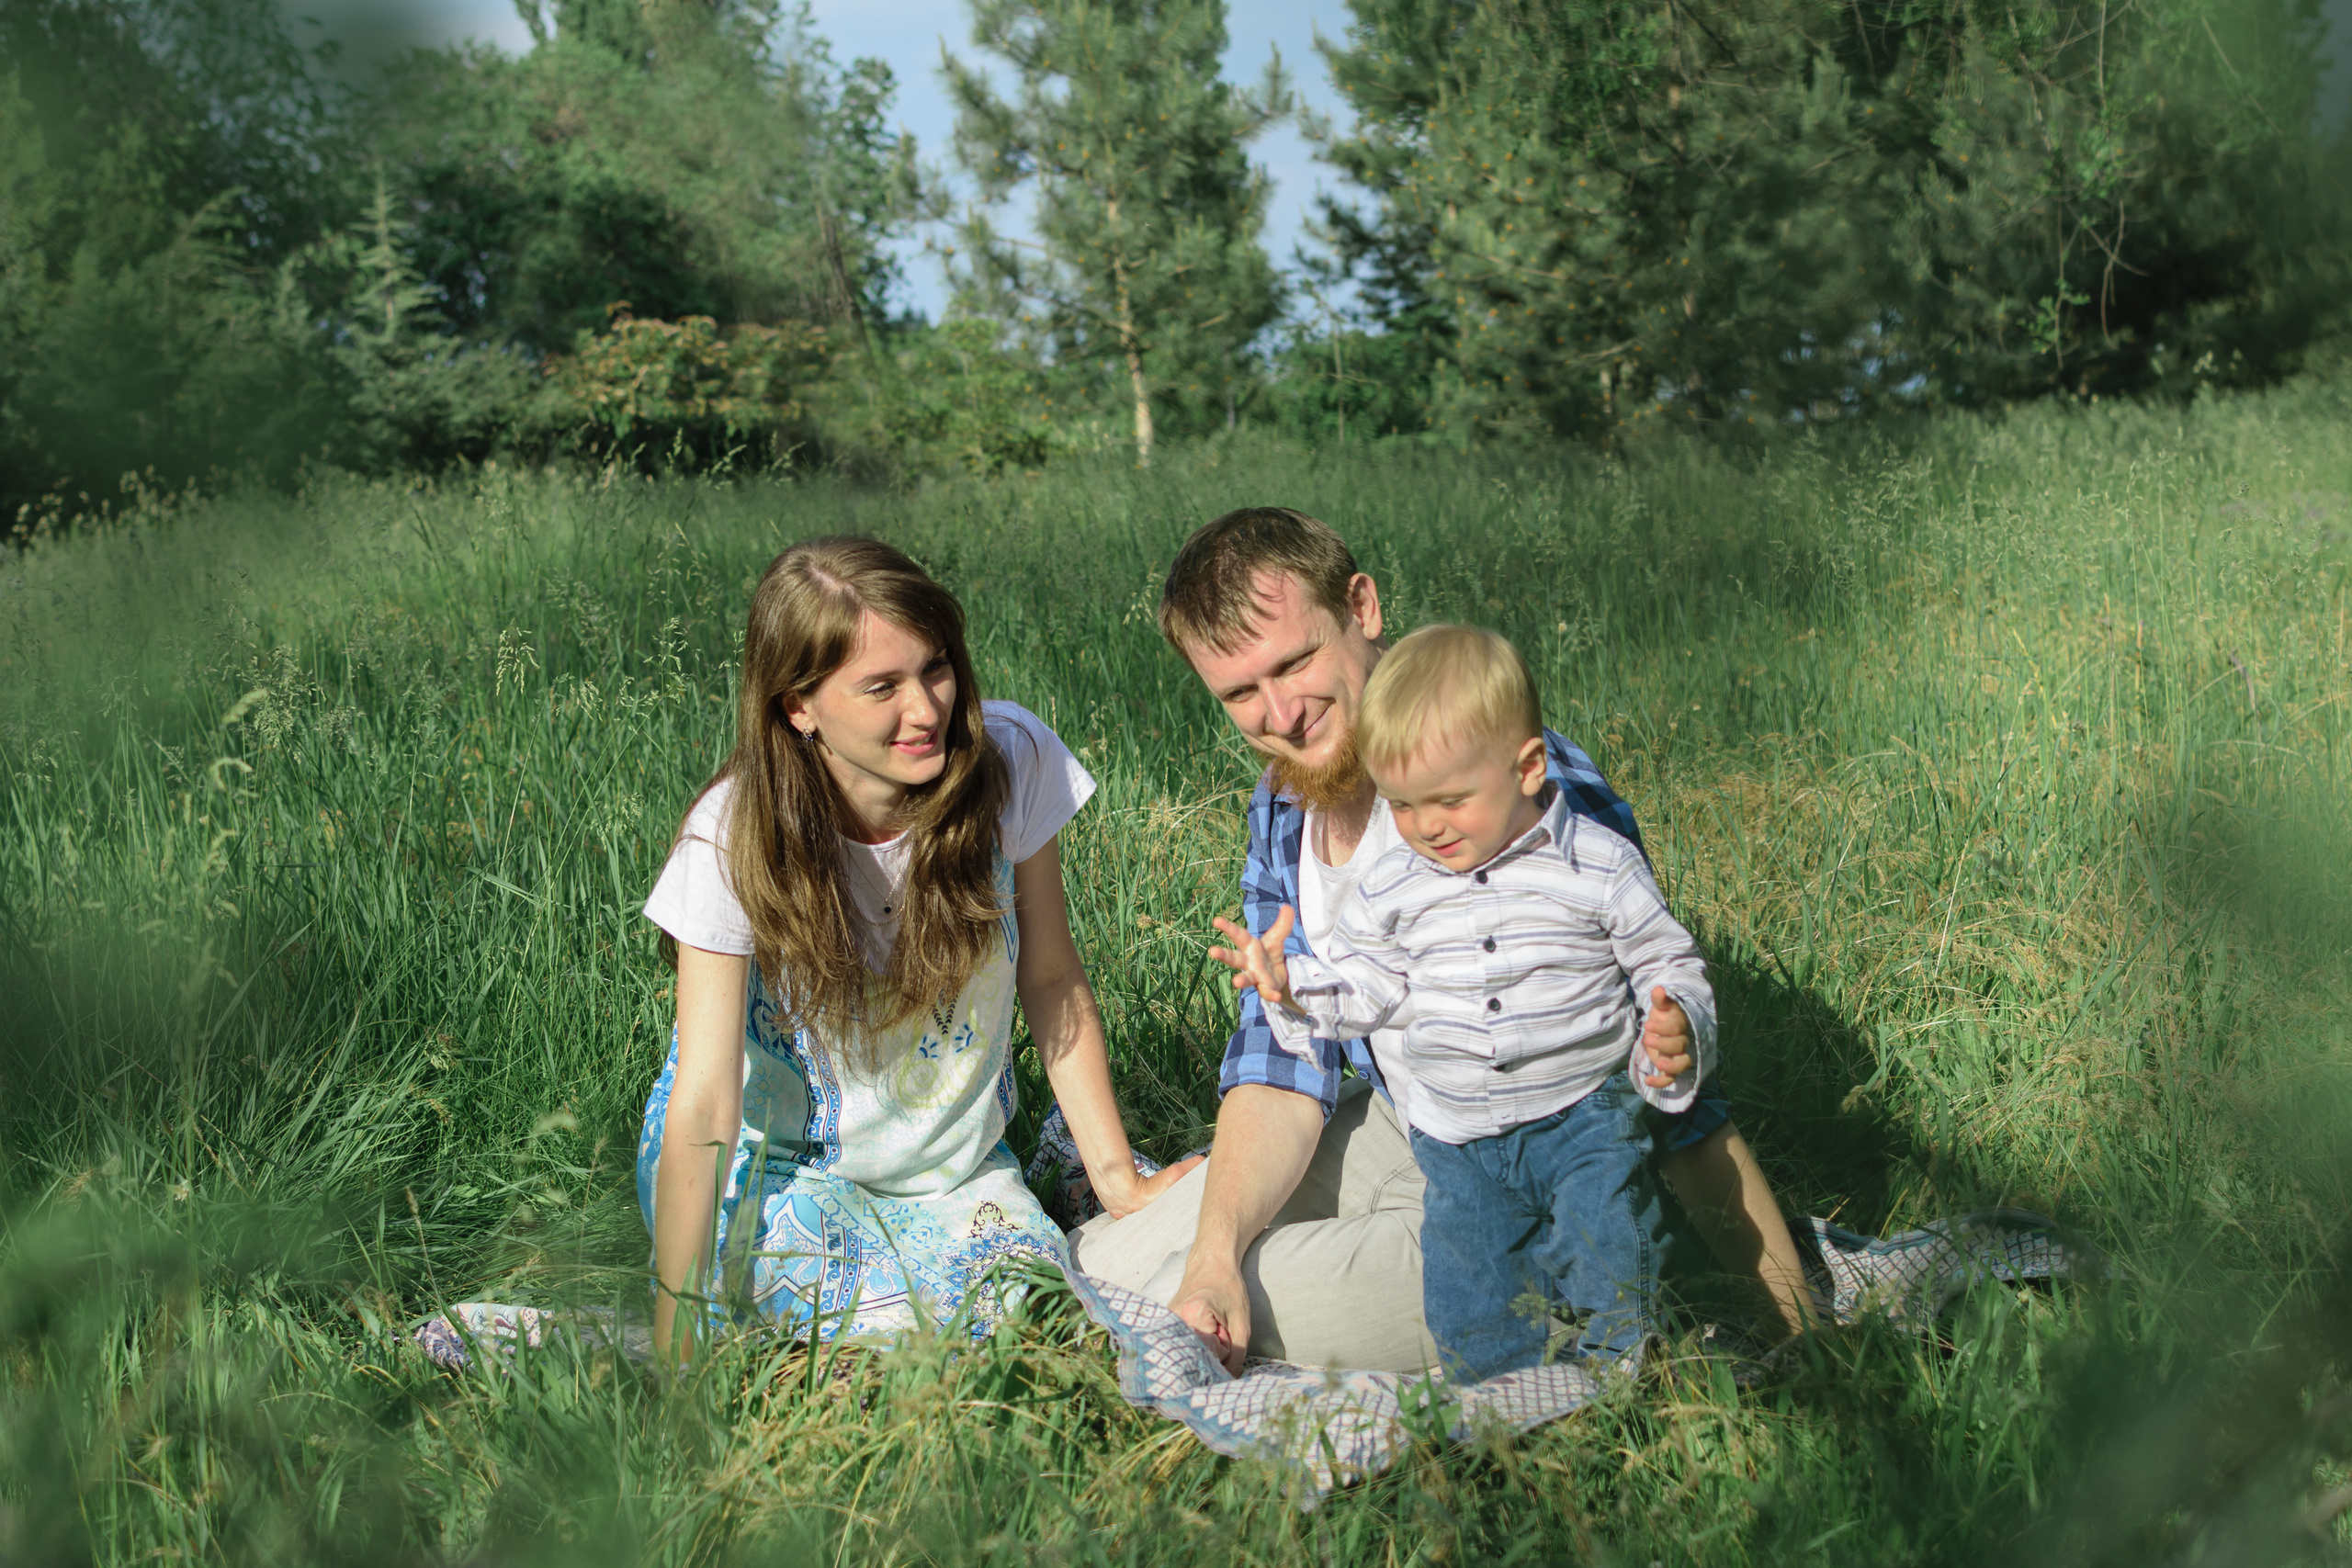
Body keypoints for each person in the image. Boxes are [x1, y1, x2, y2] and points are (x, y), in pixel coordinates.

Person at [1068, 507, 1813, 1374]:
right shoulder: (1281, 806)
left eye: (1296, 661)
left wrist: (1797, 1320)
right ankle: (1305, 1259)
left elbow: (1661, 1079)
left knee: (1231, 1300)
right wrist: (1212, 1258)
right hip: (1411, 1118)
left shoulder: (1510, 794)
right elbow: (1283, 1061)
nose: (1281, 713)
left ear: (1363, 607)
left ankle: (1608, 1307)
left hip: (1557, 1162)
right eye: (1239, 693)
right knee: (1123, 1263)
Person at [637, 536, 1195, 1361]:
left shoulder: (1010, 763)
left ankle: (1064, 1176)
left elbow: (1049, 974)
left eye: (935, 668)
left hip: (953, 1164)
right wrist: (676, 1337)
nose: (927, 708)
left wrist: (1120, 1179)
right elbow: (706, 1101)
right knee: (877, 1327)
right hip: (780, 1169)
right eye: (881, 686)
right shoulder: (733, 836)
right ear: (800, 705)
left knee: (1022, 1320)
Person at [1208, 624, 1713, 1381]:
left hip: (1581, 1116)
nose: (1427, 827)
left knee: (1612, 1248)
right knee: (1467, 1286)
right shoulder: (1395, 881)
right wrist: (1293, 987)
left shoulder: (1591, 862)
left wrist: (1679, 1024)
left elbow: (1663, 956)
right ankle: (1498, 1398)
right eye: (1404, 806)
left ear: (1529, 768)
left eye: (1449, 802)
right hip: (1457, 1136)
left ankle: (1633, 1375)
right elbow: (1373, 988)